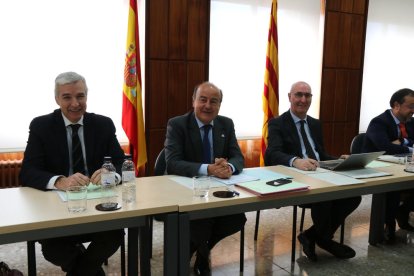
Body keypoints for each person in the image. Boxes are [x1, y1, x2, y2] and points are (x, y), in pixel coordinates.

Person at [19, 72, 125, 276]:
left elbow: (122, 163)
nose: (75, 103)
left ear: (87, 96)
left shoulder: (103, 124)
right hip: (57, 211)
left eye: (80, 96)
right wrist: (59, 181)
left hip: (97, 208)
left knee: (114, 234)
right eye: (67, 97)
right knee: (52, 247)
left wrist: (110, 174)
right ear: (57, 99)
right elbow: (28, 172)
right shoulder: (41, 126)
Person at [265, 81, 361, 262]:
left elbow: (320, 154)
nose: (303, 99)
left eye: (307, 95)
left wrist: (337, 159)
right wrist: (295, 161)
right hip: (295, 176)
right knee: (324, 196)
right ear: (289, 97)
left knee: (353, 196)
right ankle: (325, 241)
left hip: (319, 172)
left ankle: (312, 236)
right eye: (299, 95)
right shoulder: (277, 123)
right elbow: (273, 153)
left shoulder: (315, 123)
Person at [164, 81, 246, 275]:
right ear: (193, 101)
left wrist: (229, 166)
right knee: (202, 222)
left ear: (219, 105)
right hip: (186, 190)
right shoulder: (177, 124)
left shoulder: (226, 123)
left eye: (214, 101)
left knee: (236, 219)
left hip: (219, 190)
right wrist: (208, 169)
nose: (208, 106)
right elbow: (172, 163)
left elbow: (238, 157)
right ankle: (200, 256)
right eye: (203, 100)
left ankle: (201, 251)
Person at [363, 88, 414, 241]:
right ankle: (388, 224)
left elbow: (396, 145)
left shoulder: (410, 122)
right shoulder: (379, 121)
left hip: (403, 164)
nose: (413, 111)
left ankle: (403, 211)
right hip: (377, 167)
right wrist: (408, 146)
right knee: (394, 188)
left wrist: (403, 142)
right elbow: (384, 147)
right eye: (410, 106)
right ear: (397, 105)